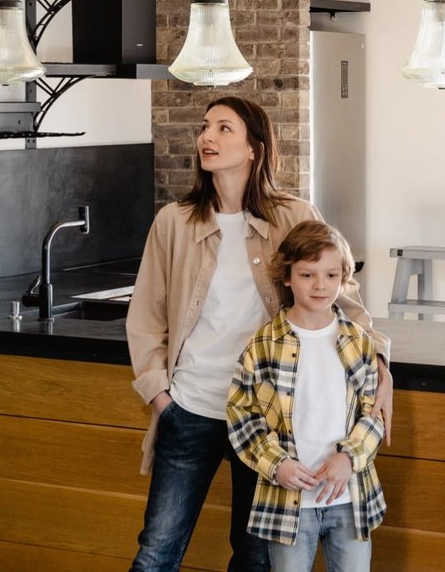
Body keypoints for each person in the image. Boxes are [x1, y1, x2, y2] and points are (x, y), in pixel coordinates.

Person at [126, 96, 392, 572]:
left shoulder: (293, 214)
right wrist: (160, 397)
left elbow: (341, 296)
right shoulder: (174, 222)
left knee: (254, 557)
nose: (207, 137)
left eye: (224, 129)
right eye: (205, 128)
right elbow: (146, 314)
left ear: (254, 148)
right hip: (191, 409)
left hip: (266, 420)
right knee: (156, 550)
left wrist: (381, 365)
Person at [226, 220, 385, 572]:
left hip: (350, 498)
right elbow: (241, 414)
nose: (320, 285)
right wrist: (276, 464)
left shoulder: (358, 340)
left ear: (343, 278)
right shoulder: (263, 344)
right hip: (287, 502)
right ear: (287, 277)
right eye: (307, 274)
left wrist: (349, 458)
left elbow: (373, 412)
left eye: (331, 275)